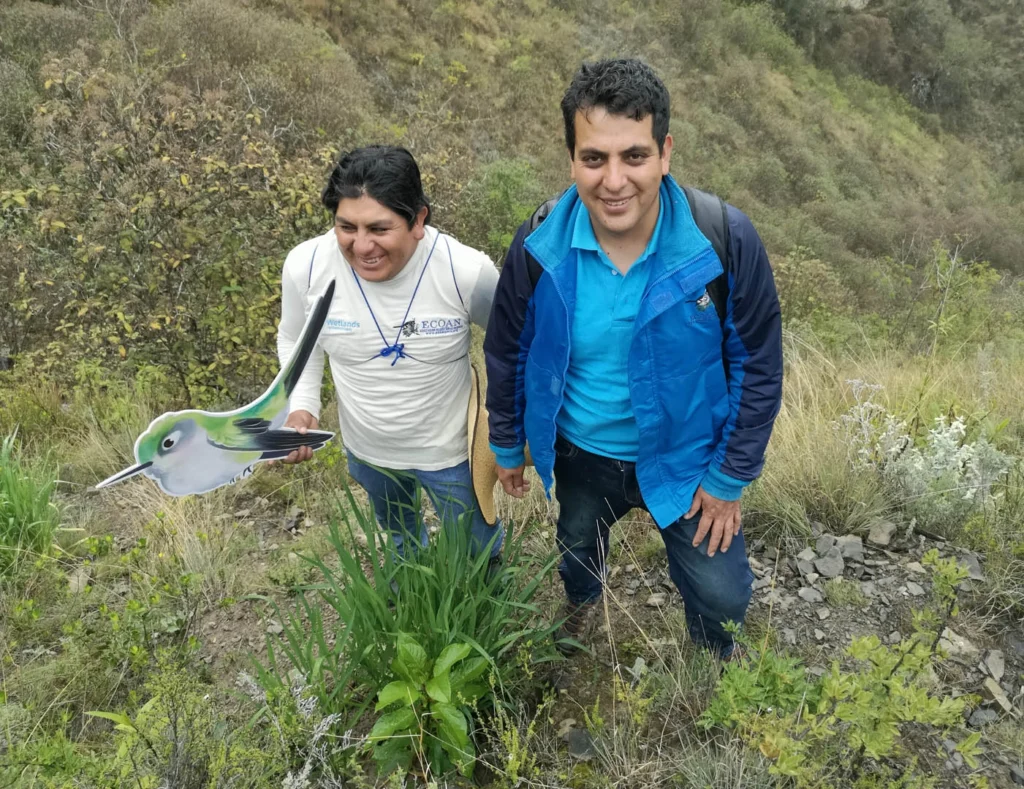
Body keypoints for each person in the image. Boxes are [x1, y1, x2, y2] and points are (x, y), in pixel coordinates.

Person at [483, 59, 783, 659]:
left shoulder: (723, 237)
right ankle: (583, 604)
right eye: (594, 158)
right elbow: (509, 345)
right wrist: (507, 441)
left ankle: (714, 662)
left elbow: (758, 365)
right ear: (572, 158)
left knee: (723, 603)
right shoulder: (540, 241)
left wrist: (728, 480)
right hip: (579, 453)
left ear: (665, 152)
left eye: (634, 156)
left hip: (688, 460)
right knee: (575, 547)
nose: (613, 180)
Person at [277, 145, 503, 566]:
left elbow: (513, 344)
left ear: (418, 220)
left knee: (477, 548)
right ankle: (410, 602)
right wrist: (302, 406)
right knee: (400, 539)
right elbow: (295, 338)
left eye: (379, 229)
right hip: (369, 449)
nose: (361, 247)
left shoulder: (466, 272)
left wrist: (509, 427)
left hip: (451, 451)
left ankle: (483, 613)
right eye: (346, 227)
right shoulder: (306, 266)